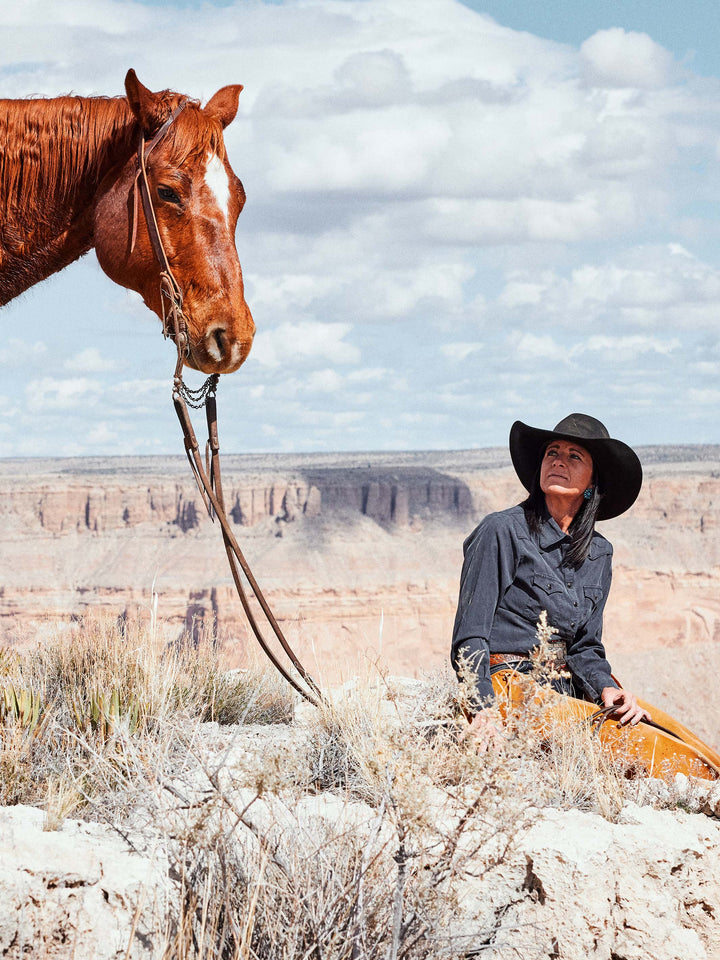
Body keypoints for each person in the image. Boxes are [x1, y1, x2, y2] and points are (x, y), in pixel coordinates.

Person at [451, 412, 650, 747]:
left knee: (657, 735)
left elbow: (586, 646)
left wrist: (606, 687)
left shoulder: (600, 553)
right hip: (508, 687)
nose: (559, 461)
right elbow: (470, 635)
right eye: (552, 453)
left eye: (575, 456)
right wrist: (481, 709)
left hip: (567, 692)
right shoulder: (501, 531)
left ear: (592, 483)